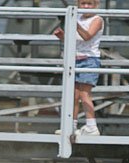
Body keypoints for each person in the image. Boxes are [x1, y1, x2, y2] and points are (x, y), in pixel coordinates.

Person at [53, 0, 104, 136]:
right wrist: (62, 36)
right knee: (73, 95)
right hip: (75, 59)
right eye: (83, 3)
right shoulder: (77, 18)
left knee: (84, 94)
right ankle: (71, 125)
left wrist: (74, 24)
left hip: (89, 60)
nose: (86, 7)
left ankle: (91, 126)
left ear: (96, 5)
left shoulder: (97, 19)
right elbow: (74, 41)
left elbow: (87, 36)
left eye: (89, 4)